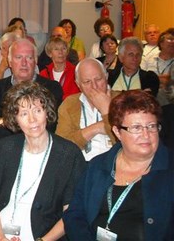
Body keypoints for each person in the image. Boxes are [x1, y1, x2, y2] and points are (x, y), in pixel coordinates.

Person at [0, 82, 86, 241]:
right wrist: (1, 238)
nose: (32, 120)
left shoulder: (69, 155)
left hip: (43, 235)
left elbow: (71, 213)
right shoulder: (4, 148)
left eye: (37, 110)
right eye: (23, 114)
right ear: (14, 118)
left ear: (47, 111)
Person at [64, 90, 173, 240]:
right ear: (117, 131)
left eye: (151, 126)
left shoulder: (169, 169)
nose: (146, 134)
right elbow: (75, 214)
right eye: (136, 128)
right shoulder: (98, 165)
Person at [0, 38, 63, 149]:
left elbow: (51, 129)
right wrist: (28, 131)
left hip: (41, 150)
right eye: (18, 57)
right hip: (3, 151)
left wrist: (4, 121)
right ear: (10, 62)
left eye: (29, 57)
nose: (24, 63)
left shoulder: (51, 89)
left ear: (35, 61)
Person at [56, 58, 118, 161]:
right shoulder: (70, 104)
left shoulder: (123, 101)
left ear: (106, 77)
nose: (94, 86)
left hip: (114, 166)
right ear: (78, 84)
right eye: (87, 82)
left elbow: (127, 144)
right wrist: (95, 128)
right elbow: (61, 148)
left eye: (98, 79)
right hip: (80, 166)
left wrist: (106, 111)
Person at [153, 28, 174, 106]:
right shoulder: (149, 59)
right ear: (161, 44)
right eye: (169, 41)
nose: (172, 43)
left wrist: (169, 81)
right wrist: (157, 80)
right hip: (149, 91)